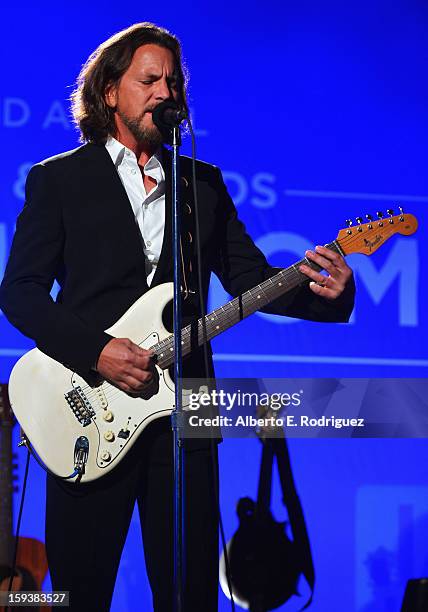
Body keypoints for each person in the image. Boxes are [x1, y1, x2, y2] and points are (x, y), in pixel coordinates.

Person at [0, 22, 355, 612]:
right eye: (149, 79)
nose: (166, 91)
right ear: (110, 91)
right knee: (77, 594)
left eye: (173, 81)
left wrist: (329, 293)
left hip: (184, 410)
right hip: (88, 410)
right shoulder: (58, 180)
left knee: (190, 593)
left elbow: (250, 282)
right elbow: (21, 294)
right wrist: (99, 350)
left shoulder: (204, 186)